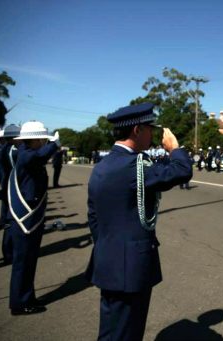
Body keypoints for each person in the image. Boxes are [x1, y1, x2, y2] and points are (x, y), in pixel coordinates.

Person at [85, 102, 192, 340]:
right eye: (149, 128)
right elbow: (183, 170)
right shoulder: (134, 167)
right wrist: (175, 148)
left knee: (113, 330)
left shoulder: (103, 166)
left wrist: (110, 246)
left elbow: (93, 216)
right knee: (126, 333)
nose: (153, 134)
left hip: (109, 260)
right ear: (137, 130)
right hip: (129, 269)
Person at [7, 121, 60, 315]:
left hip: (29, 215)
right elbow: (40, 156)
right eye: (44, 139)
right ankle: (21, 303)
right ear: (36, 139)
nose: (45, 142)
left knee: (27, 262)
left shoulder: (26, 152)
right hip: (26, 219)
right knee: (24, 263)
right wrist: (55, 144)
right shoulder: (27, 155)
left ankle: (25, 297)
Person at [0, 124, 21, 264]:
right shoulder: (13, 151)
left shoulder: (3, 148)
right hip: (11, 189)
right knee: (11, 223)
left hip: (5, 187)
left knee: (8, 221)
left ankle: (8, 253)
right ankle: (9, 253)